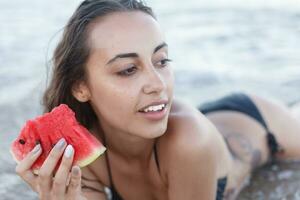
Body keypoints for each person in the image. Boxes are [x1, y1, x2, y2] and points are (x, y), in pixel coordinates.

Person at [14, 0, 300, 200]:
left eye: (162, 61)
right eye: (128, 70)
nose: (158, 83)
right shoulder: (77, 152)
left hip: (260, 125)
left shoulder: (189, 142)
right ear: (81, 87)